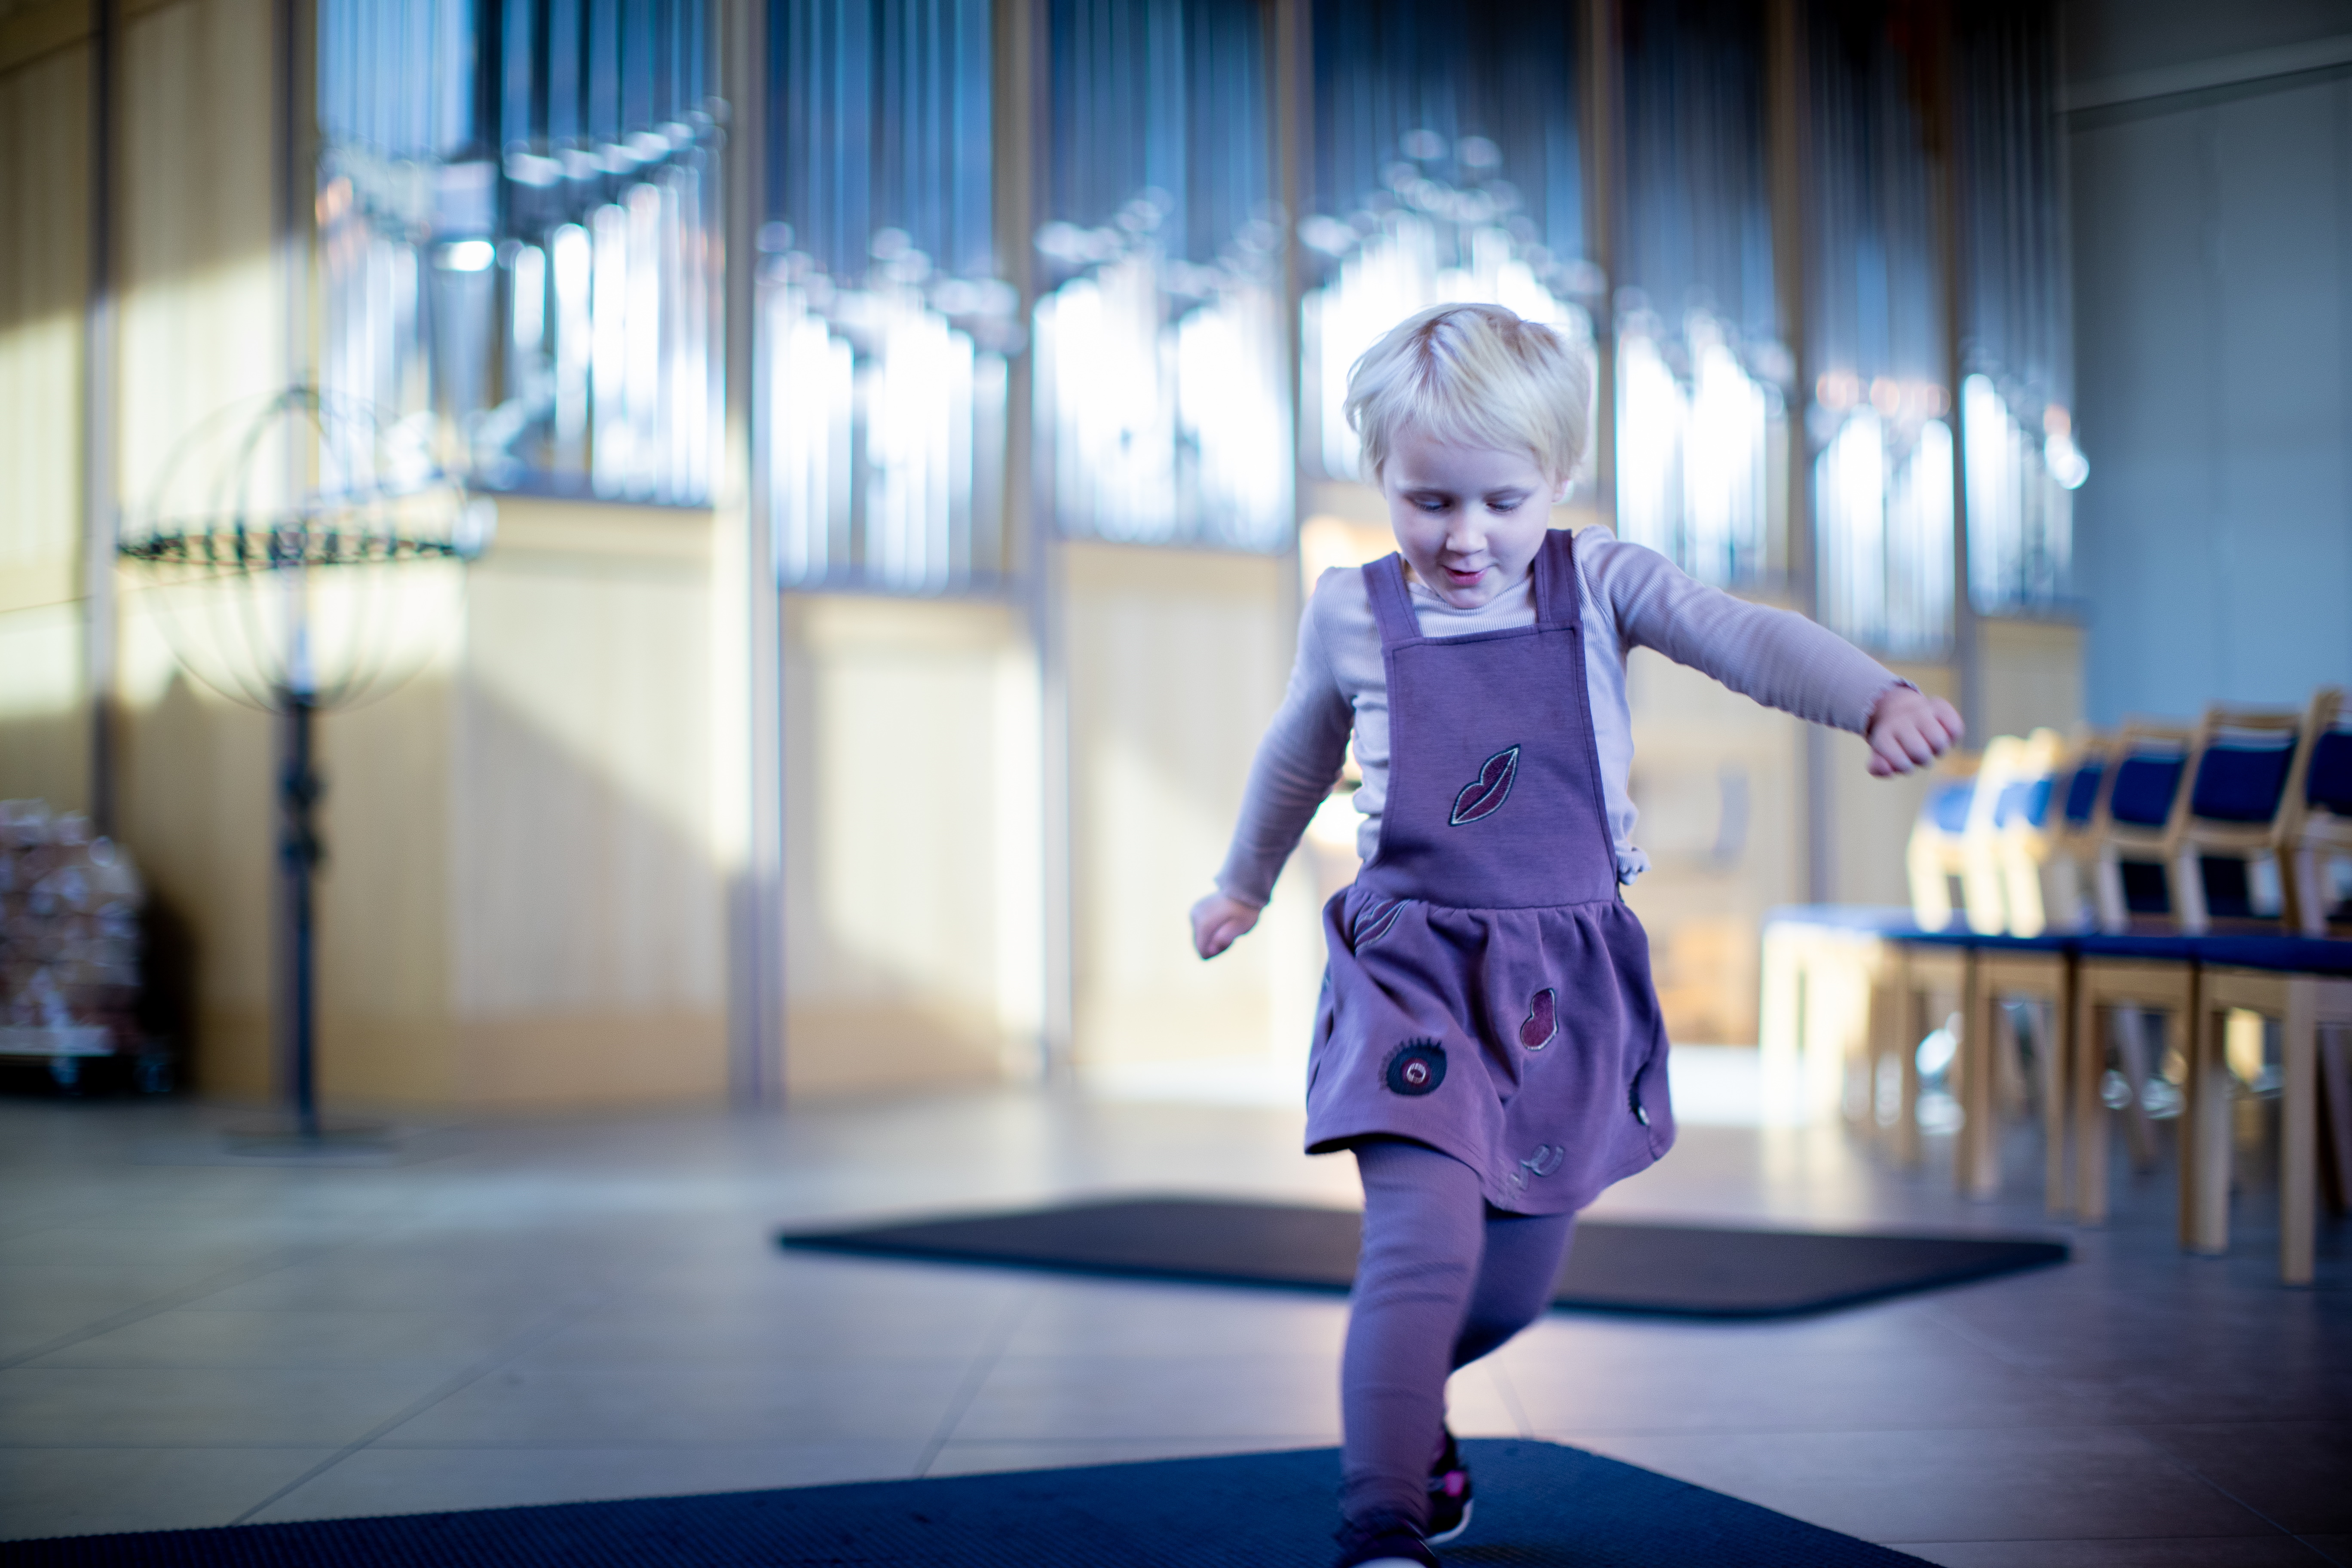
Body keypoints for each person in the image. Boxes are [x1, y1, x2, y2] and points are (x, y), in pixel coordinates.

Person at [1189, 302, 1961, 1568]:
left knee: (1506, 1289)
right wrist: (1241, 883)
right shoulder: (1351, 611)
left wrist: (1873, 696)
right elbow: (1294, 758)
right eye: (1429, 501)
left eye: (1501, 501)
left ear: (1559, 479)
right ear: (1382, 476)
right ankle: (1381, 1519)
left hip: (1564, 986)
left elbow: (1747, 641)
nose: (1467, 538)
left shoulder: (1599, 581)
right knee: (1419, 1247)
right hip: (1414, 976)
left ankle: (1412, 1410)